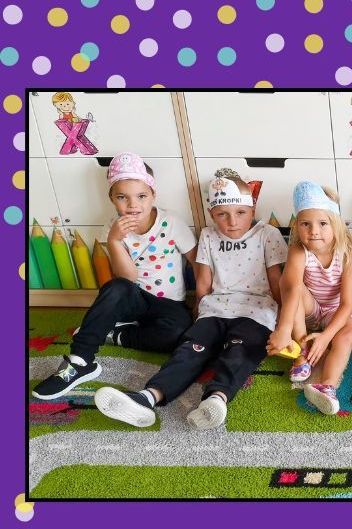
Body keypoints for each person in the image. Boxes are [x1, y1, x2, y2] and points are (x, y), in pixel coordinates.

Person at [93, 170, 287, 429]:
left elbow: (277, 281)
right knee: (189, 350)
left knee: (240, 351)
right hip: (215, 309)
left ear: (252, 210)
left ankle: (217, 398)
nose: (232, 222)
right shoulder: (208, 235)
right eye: (222, 214)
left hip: (257, 311)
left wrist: (285, 323)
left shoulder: (268, 234)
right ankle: (148, 396)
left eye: (241, 213)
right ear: (211, 214)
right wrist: (198, 314)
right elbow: (203, 281)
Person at [32, 152, 197, 400]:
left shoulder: (171, 222)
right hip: (133, 300)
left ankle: (115, 334)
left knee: (177, 335)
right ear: (112, 199)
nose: (133, 205)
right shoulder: (113, 228)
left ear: (153, 195)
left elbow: (197, 261)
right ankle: (80, 362)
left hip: (169, 304)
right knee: (116, 286)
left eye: (141, 196)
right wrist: (114, 241)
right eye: (122, 197)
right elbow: (128, 278)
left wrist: (201, 300)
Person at [266, 181, 352, 415]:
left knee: (347, 335)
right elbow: (291, 290)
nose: (313, 231)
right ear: (297, 226)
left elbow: (348, 304)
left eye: (322, 223)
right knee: (293, 286)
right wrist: (284, 329)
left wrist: (326, 337)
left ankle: (327, 386)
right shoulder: (298, 250)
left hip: (337, 311)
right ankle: (302, 351)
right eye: (305, 224)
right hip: (310, 308)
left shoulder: (348, 254)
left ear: (335, 224)